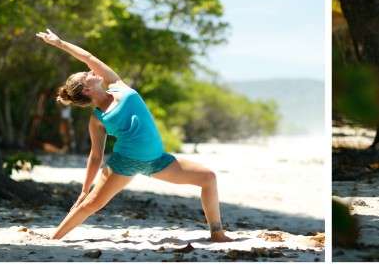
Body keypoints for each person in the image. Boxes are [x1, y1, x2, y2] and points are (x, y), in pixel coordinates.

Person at [37, 29, 232, 242]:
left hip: (158, 160)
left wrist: (60, 43)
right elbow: (95, 155)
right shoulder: (97, 119)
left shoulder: (116, 85)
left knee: (208, 178)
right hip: (124, 163)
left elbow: (88, 57)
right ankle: (53, 239)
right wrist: (85, 189)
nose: (90, 71)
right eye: (85, 75)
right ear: (85, 90)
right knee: (91, 204)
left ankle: (217, 234)